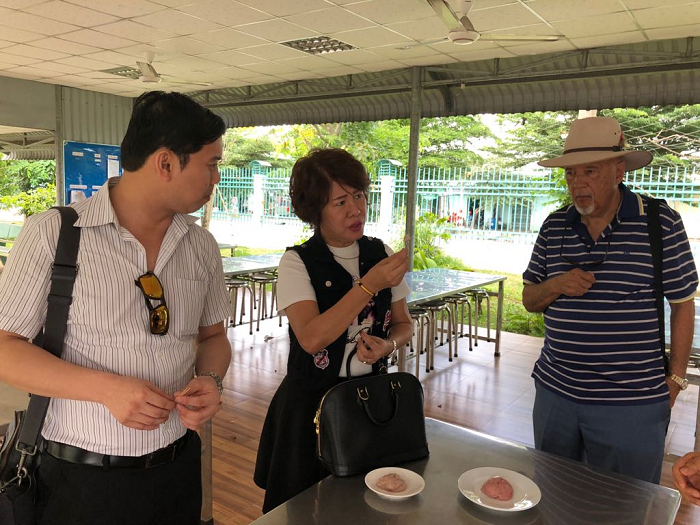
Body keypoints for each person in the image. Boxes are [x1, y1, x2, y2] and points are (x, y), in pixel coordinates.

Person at [0, 91, 232, 525]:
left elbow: (214, 337)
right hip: (79, 480)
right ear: (166, 163)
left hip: (177, 467)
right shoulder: (55, 234)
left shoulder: (200, 245)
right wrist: (105, 389)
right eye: (211, 163)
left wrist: (211, 379)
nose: (216, 177)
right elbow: (6, 349)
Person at [522, 116, 697, 484]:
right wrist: (557, 285)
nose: (577, 183)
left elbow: (682, 304)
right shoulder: (554, 226)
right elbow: (530, 298)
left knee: (626, 504)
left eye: (590, 171)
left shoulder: (660, 223)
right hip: (556, 394)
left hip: (631, 405)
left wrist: (676, 379)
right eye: (571, 173)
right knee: (554, 495)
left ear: (619, 172)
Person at [253, 148, 413, 512]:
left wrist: (388, 345)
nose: (355, 209)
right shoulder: (297, 262)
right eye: (340, 202)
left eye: (358, 195)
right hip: (310, 406)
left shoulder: (380, 253)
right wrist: (369, 285)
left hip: (369, 402)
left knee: (363, 505)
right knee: (302, 507)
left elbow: (405, 324)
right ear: (316, 211)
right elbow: (312, 338)